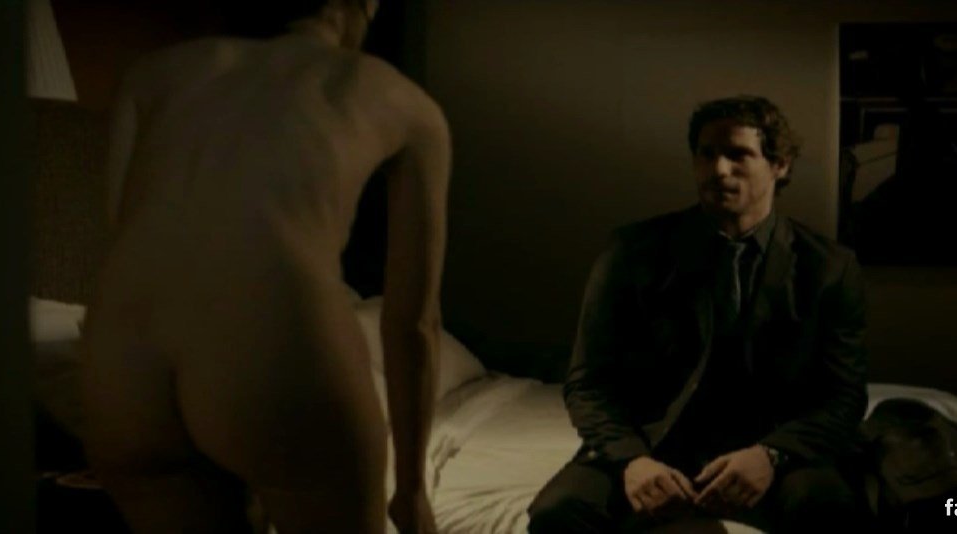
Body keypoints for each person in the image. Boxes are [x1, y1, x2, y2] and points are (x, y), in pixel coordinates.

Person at [80, 1, 449, 532]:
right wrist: (411, 491)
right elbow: (413, 322)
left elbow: (121, 229)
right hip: (271, 341)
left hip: (124, 360)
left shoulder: (156, 73)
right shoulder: (399, 98)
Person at [528, 96, 869, 533]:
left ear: (779, 165)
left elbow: (843, 395)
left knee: (830, 509)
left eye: (737, 154)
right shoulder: (633, 252)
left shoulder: (828, 267)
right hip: (652, 445)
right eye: (706, 154)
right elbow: (587, 383)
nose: (718, 170)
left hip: (772, 448)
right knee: (557, 513)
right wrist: (632, 460)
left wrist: (772, 455)